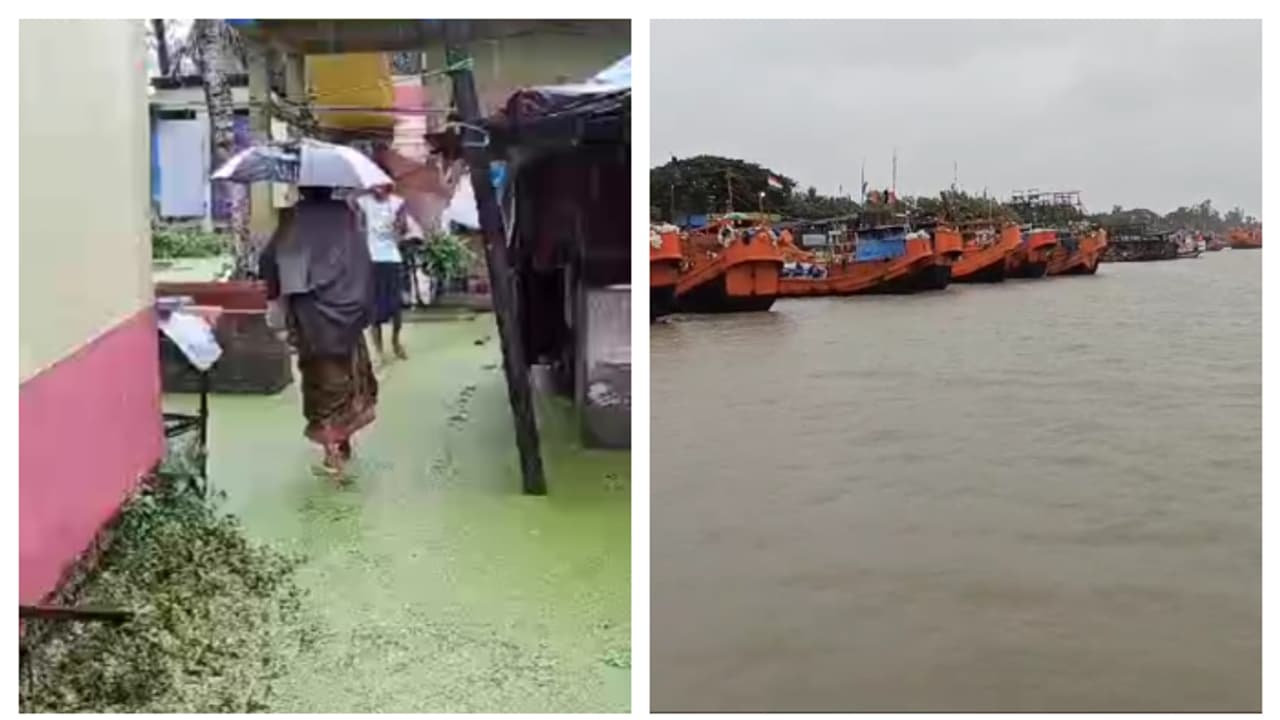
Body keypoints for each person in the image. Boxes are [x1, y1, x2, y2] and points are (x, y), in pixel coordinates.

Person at [260, 186, 378, 475]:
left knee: (320, 378)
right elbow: (363, 261)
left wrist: (275, 293)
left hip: (310, 313)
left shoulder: (293, 218)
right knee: (348, 375)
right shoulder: (348, 215)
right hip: (348, 311)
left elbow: (269, 261)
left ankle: (331, 450)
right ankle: (340, 442)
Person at [348, 183, 409, 362]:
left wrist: (399, 226)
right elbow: (351, 204)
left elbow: (403, 229)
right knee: (374, 307)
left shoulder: (397, 203)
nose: (378, 189)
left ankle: (396, 341)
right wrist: (363, 191)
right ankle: (379, 349)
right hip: (371, 258)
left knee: (395, 306)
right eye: (375, 185)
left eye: (382, 185)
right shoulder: (364, 201)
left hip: (392, 258)